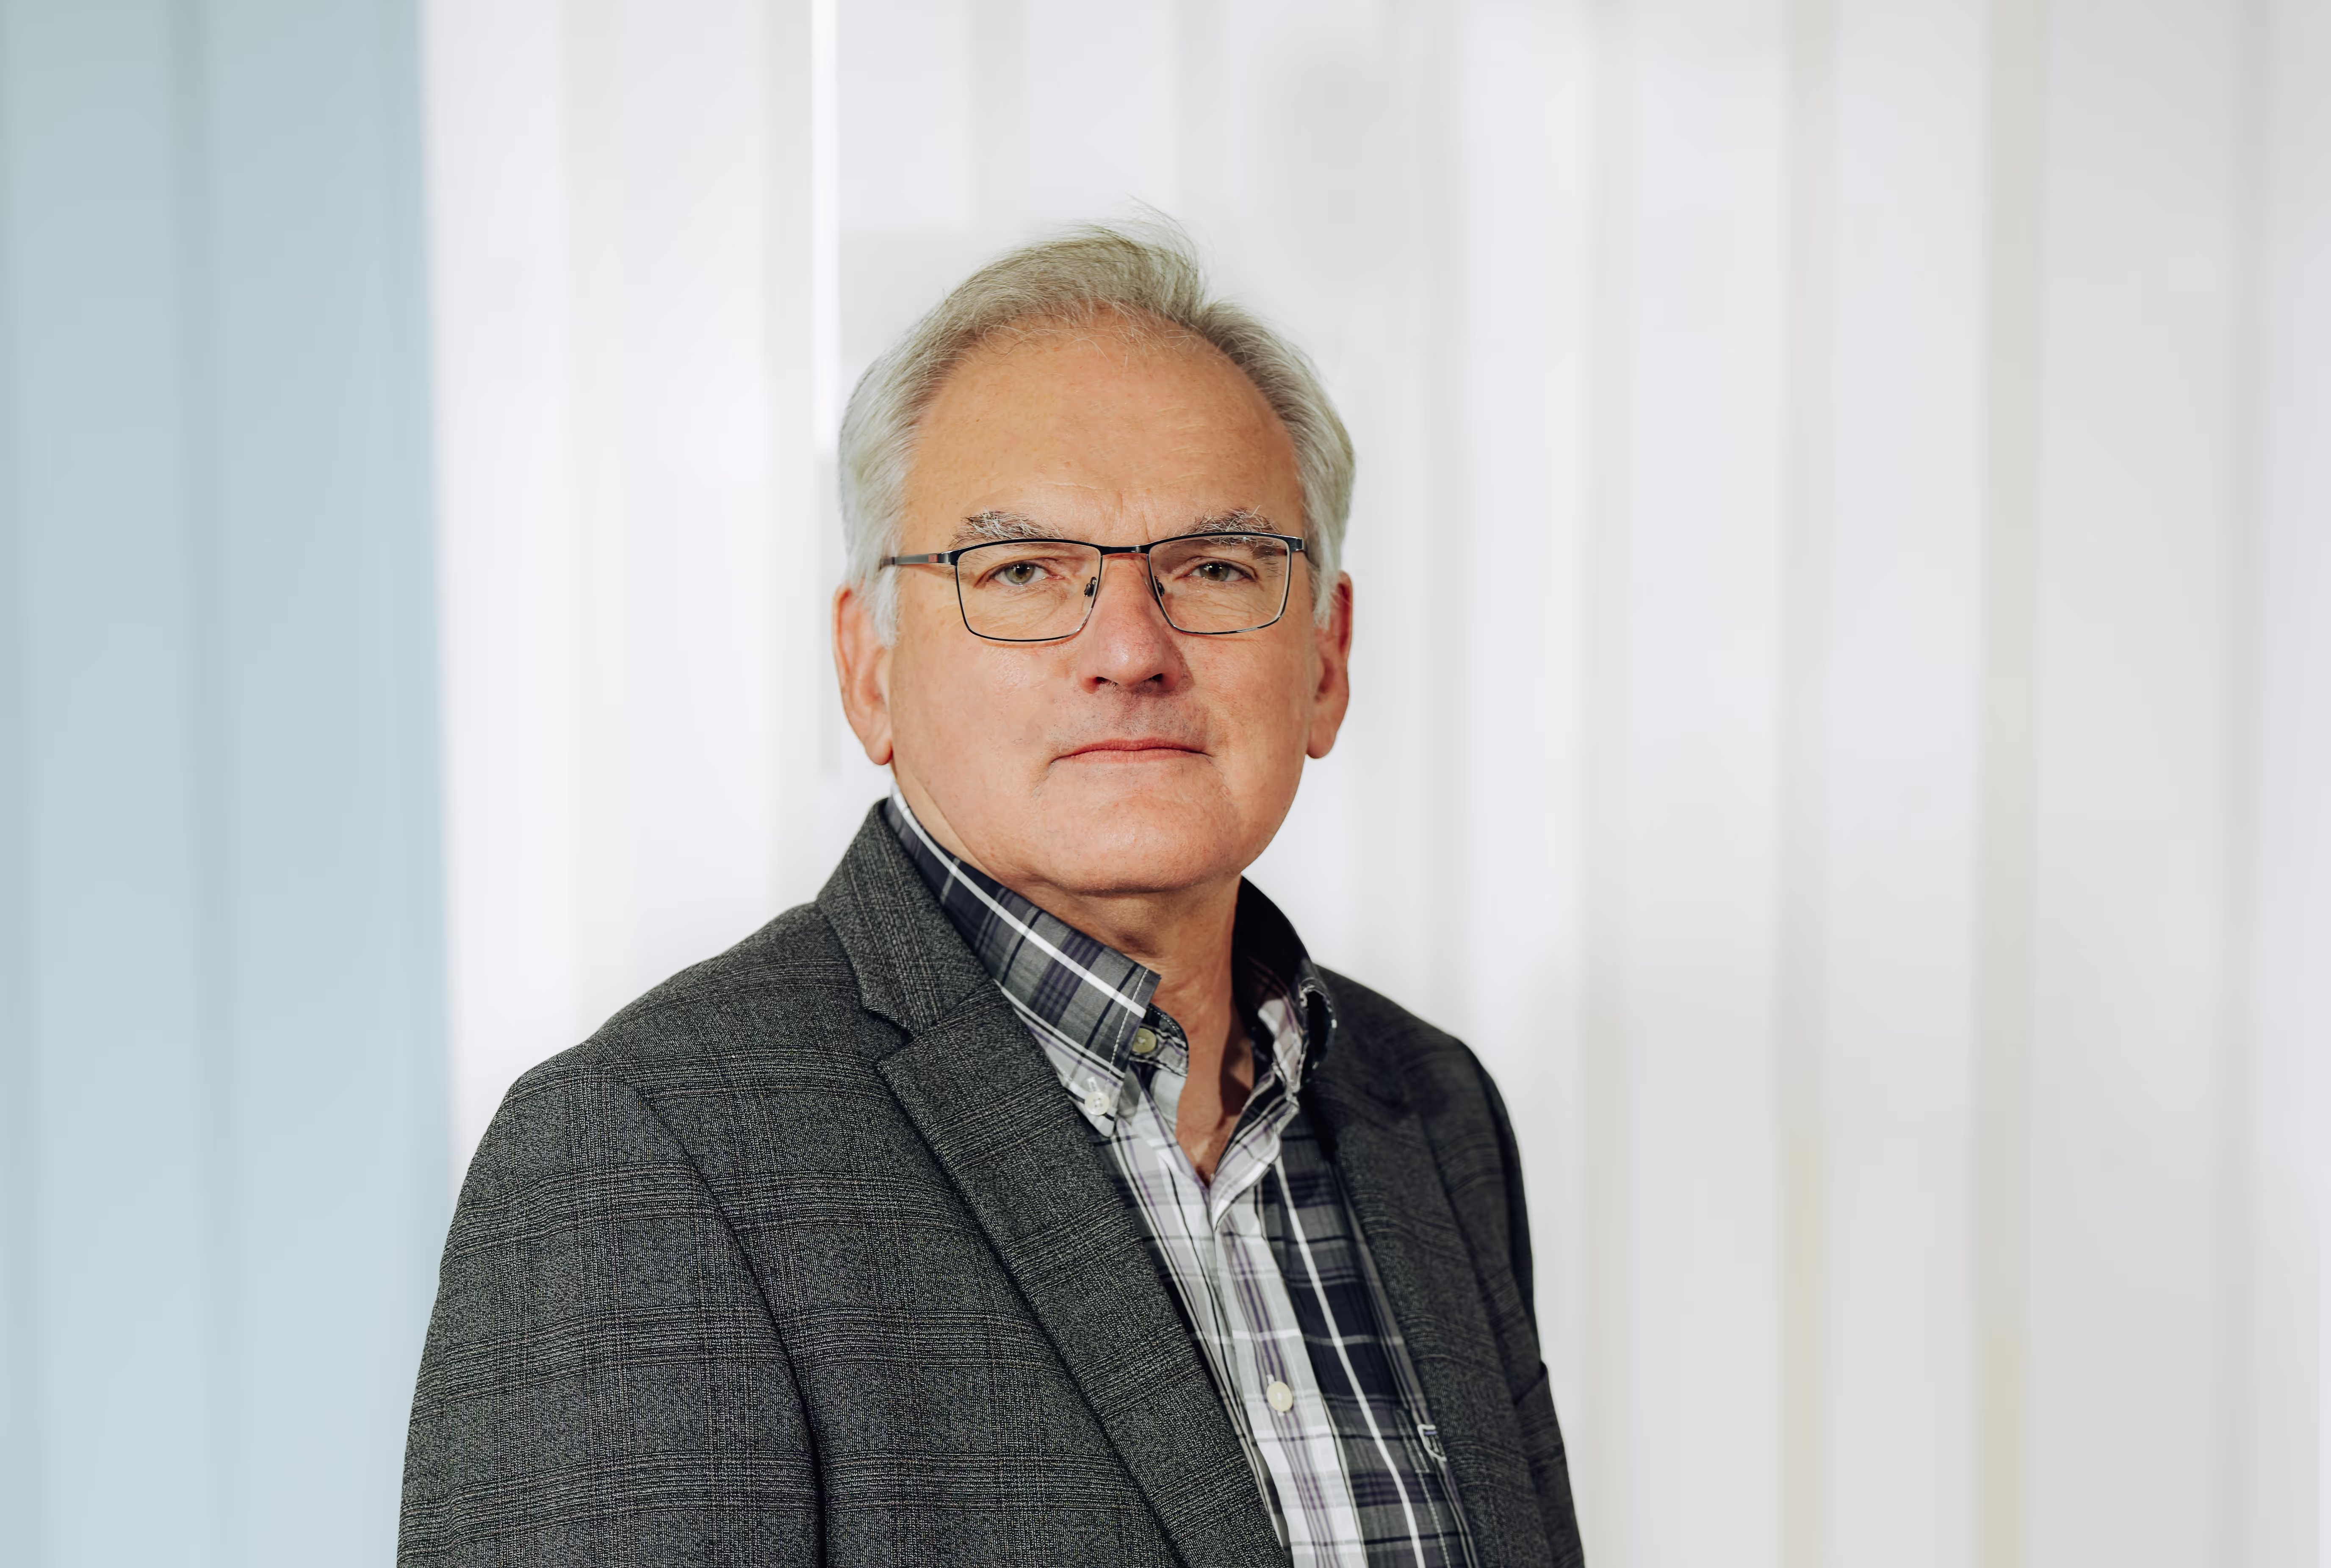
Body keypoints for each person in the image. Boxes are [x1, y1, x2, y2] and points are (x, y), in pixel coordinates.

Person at [398, 220, 1583, 1568]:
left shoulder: (1428, 1113)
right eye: (1021, 571)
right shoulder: (649, 1155)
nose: (1131, 648)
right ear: (868, 666)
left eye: (1216, 567)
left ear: (1326, 657)